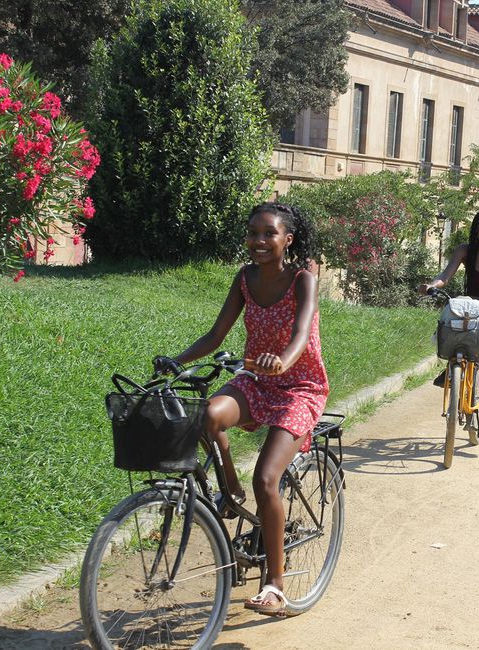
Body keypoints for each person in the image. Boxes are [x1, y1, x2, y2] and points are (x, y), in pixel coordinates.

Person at [154, 202, 328, 616]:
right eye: (253, 233)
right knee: (206, 415)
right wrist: (176, 362)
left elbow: (302, 333)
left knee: (267, 479)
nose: (259, 241)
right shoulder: (245, 279)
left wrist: (283, 360)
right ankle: (230, 490)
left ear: (288, 239)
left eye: (269, 233)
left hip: (299, 387)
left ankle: (275, 584)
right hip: (257, 380)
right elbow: (217, 334)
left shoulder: (304, 279)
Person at [417, 208, 479, 443]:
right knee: (448, 332)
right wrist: (432, 285)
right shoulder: (465, 250)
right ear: (476, 227)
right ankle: (452, 369)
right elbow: (445, 275)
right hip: (468, 309)